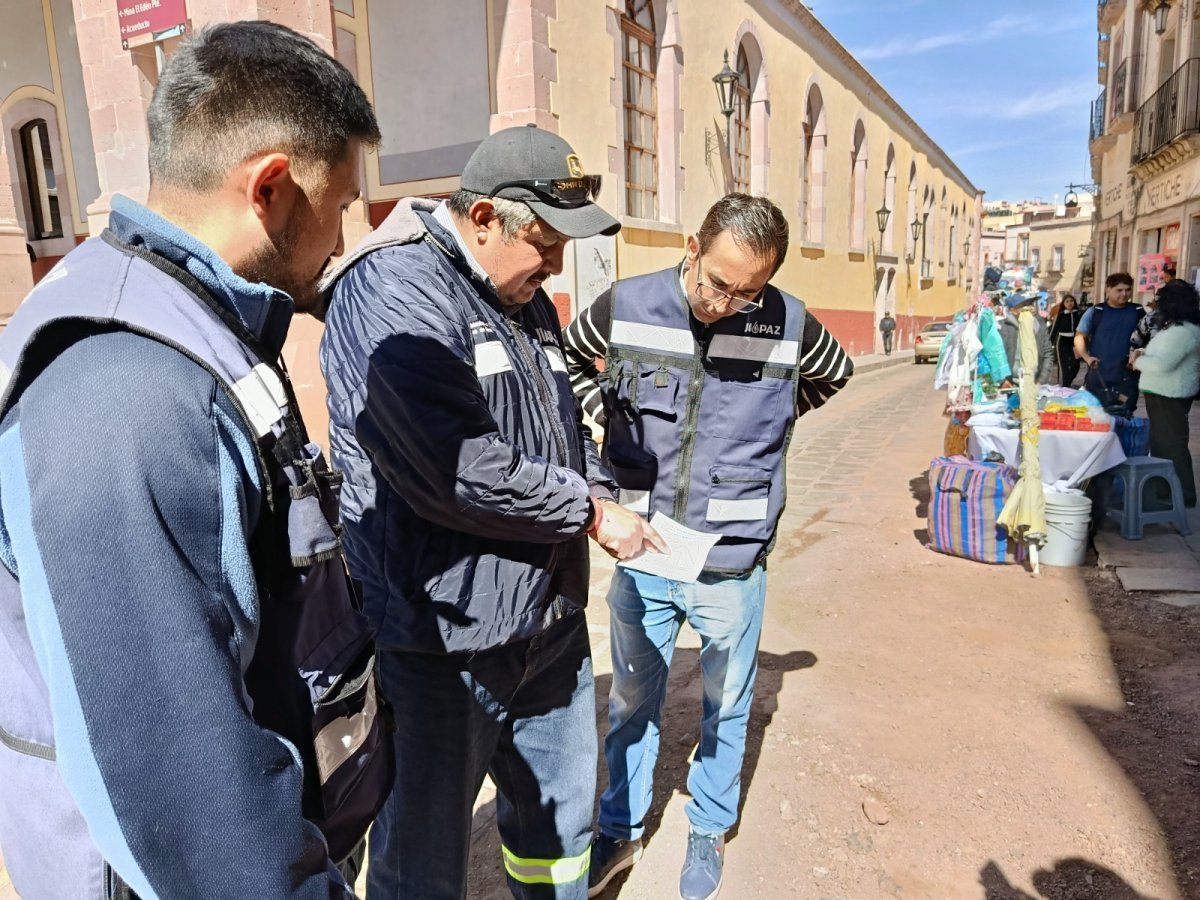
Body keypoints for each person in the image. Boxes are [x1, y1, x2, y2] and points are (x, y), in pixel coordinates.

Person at [0, 22, 387, 900]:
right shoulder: (122, 396)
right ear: (274, 187)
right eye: (342, 202)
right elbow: (185, 805)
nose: (344, 232)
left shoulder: (194, 316)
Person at [319, 124, 664, 900]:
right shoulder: (393, 291)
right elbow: (456, 469)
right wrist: (586, 512)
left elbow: (563, 432)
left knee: (559, 831)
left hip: (548, 628)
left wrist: (599, 487)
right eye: (545, 242)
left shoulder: (528, 299)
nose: (556, 264)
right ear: (483, 219)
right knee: (423, 855)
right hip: (443, 641)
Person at [562, 193, 853, 900]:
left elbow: (832, 374)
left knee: (728, 702)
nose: (726, 302)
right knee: (631, 700)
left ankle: (707, 826)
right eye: (717, 282)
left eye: (748, 290)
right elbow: (566, 364)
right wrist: (612, 426)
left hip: (731, 556)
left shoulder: (787, 319)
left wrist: (761, 435)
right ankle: (621, 828)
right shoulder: (625, 304)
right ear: (692, 247)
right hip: (649, 544)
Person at [1131, 279, 1200, 507]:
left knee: (1171, 446)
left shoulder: (1184, 332)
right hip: (1163, 393)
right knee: (1162, 445)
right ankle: (1168, 493)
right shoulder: (1178, 327)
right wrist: (1143, 353)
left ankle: (1181, 496)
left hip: (1170, 395)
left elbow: (1162, 365)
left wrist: (1138, 361)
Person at [1075, 272, 1144, 415]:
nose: (1124, 294)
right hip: (1099, 377)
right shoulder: (1096, 311)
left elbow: (1150, 339)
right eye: (1119, 290)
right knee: (1097, 420)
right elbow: (1079, 337)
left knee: (1124, 416)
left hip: (1127, 379)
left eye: (1128, 290)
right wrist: (1087, 358)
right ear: (1108, 289)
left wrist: (1140, 353)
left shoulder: (1138, 312)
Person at [998, 292, 1054, 385]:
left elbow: (1048, 353)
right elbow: (998, 357)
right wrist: (1003, 381)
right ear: (1013, 310)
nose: (1030, 308)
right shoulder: (1003, 327)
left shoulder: (1038, 324)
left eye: (1031, 304)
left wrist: (1041, 381)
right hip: (1011, 384)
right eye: (1025, 305)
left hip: (1034, 382)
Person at [1049, 293, 1083, 386]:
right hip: (1062, 342)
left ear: (1074, 302)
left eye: (1071, 301)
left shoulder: (1079, 314)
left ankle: (1068, 382)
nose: (1069, 303)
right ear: (1063, 303)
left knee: (1075, 365)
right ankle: (1064, 387)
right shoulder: (1060, 315)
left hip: (1075, 342)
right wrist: (1049, 344)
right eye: (1067, 301)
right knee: (1063, 366)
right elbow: (1054, 330)